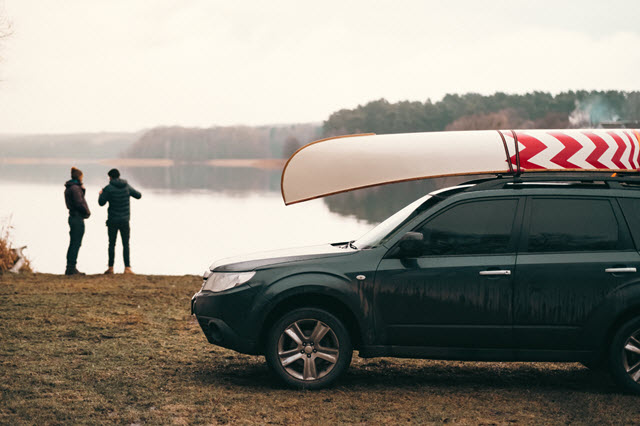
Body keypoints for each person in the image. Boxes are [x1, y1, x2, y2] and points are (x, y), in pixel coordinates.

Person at [98, 168, 141, 274]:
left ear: (110, 177)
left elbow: (101, 203)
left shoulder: (108, 188)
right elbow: (138, 195)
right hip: (125, 220)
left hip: (112, 220)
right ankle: (127, 268)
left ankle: (111, 268)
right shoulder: (126, 186)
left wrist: (101, 193)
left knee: (112, 244)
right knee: (126, 244)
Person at [64, 167, 91, 275]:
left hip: (73, 217)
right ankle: (71, 267)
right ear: (79, 177)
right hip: (77, 218)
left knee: (74, 243)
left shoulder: (71, 187)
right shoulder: (75, 188)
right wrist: (87, 212)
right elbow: (79, 203)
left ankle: (70, 266)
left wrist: (82, 190)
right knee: (75, 243)